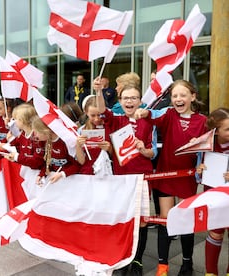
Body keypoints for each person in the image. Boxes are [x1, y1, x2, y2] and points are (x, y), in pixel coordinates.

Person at [134, 79, 207, 276]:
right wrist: (145, 113)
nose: (178, 99)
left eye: (183, 95)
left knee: (185, 221)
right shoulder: (169, 115)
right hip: (166, 175)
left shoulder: (203, 121)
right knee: (165, 221)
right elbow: (153, 120)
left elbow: (209, 148)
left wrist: (202, 162)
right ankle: (162, 266)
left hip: (187, 178)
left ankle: (187, 263)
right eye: (175, 96)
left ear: (193, 97)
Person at [96, 82, 156, 276]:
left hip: (143, 177)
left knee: (142, 221)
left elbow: (152, 153)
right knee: (124, 219)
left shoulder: (149, 122)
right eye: (126, 98)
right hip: (121, 179)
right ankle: (122, 259)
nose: (130, 101)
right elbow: (101, 110)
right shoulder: (116, 120)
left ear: (140, 101)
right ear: (120, 101)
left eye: (133, 98)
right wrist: (98, 91)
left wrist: (142, 149)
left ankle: (137, 260)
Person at [196, 107, 229, 276]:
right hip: (214, 196)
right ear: (215, 131)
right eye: (228, 129)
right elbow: (197, 174)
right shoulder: (206, 146)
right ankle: (211, 272)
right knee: (215, 233)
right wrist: (200, 171)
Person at [32, 116, 80, 184]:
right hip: (59, 182)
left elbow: (78, 165)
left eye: (37, 132)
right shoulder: (45, 142)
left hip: (72, 182)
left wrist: (62, 174)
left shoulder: (65, 142)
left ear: (46, 131)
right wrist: (42, 175)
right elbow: (49, 163)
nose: (35, 135)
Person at [1, 103, 45, 170]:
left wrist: (16, 157)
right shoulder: (23, 134)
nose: (14, 121)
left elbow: (37, 162)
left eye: (16, 119)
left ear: (23, 120)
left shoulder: (38, 137)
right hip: (27, 171)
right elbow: (15, 145)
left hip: (37, 174)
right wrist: (4, 147)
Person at [75, 95, 111, 174]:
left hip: (107, 173)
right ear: (86, 112)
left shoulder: (110, 127)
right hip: (87, 174)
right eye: (93, 115)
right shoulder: (81, 131)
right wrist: (78, 145)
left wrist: (110, 149)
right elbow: (81, 161)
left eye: (99, 115)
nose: (97, 119)